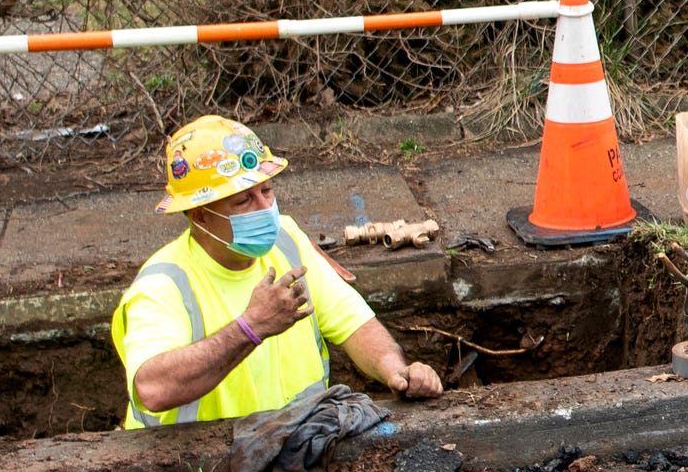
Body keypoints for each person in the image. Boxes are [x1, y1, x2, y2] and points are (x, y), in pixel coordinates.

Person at [111, 115, 444, 429]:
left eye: (266, 190)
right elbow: (151, 389)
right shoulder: (162, 285)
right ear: (199, 215)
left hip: (294, 446)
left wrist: (396, 371)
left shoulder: (285, 239)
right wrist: (250, 328)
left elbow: (352, 321)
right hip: (190, 471)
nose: (264, 207)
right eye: (243, 200)